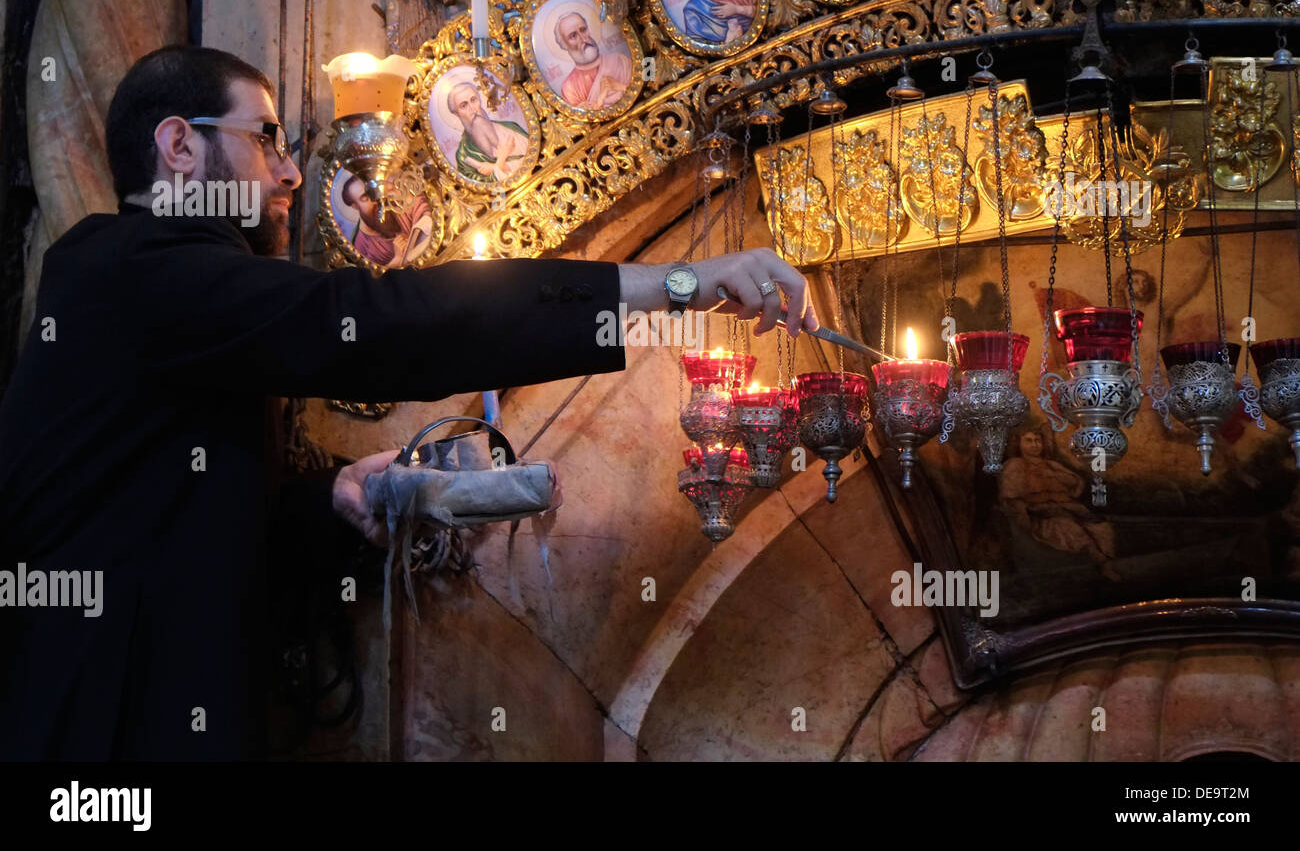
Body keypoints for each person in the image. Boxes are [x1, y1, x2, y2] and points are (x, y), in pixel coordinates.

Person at [0, 45, 817, 760]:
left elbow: (164, 521)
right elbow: (390, 326)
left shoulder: (164, 291)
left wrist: (328, 502)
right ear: (179, 145)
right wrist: (681, 284)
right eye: (266, 139)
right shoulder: (134, 270)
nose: (289, 171)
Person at [998, 429, 1119, 580]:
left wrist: (1055, 476)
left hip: (1070, 510)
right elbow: (1012, 498)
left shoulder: (1051, 465)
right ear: (1019, 444)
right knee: (1072, 530)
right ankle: (1102, 565)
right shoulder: (1015, 466)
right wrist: (1026, 519)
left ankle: (1107, 564)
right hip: (1042, 517)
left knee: (1102, 529)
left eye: (1037, 440)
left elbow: (1076, 484)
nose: (1035, 445)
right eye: (1028, 441)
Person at [444, 81, 530, 183]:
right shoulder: (464, 156)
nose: (473, 109)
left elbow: (532, 155)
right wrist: (501, 161)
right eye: (464, 105)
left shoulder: (510, 127)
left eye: (473, 100)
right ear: (456, 113)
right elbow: (483, 186)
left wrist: (495, 166)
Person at [339, 173, 430, 267]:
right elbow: (375, 276)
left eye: (374, 191)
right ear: (355, 206)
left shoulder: (397, 206)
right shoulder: (362, 245)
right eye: (365, 198)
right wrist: (397, 259)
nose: (375, 199)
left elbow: (423, 209)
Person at [553, 11, 633, 109]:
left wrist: (620, 87)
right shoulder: (570, 88)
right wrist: (599, 102)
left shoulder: (620, 60)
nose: (583, 38)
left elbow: (649, 80)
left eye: (583, 30)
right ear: (564, 45)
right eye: (573, 36)